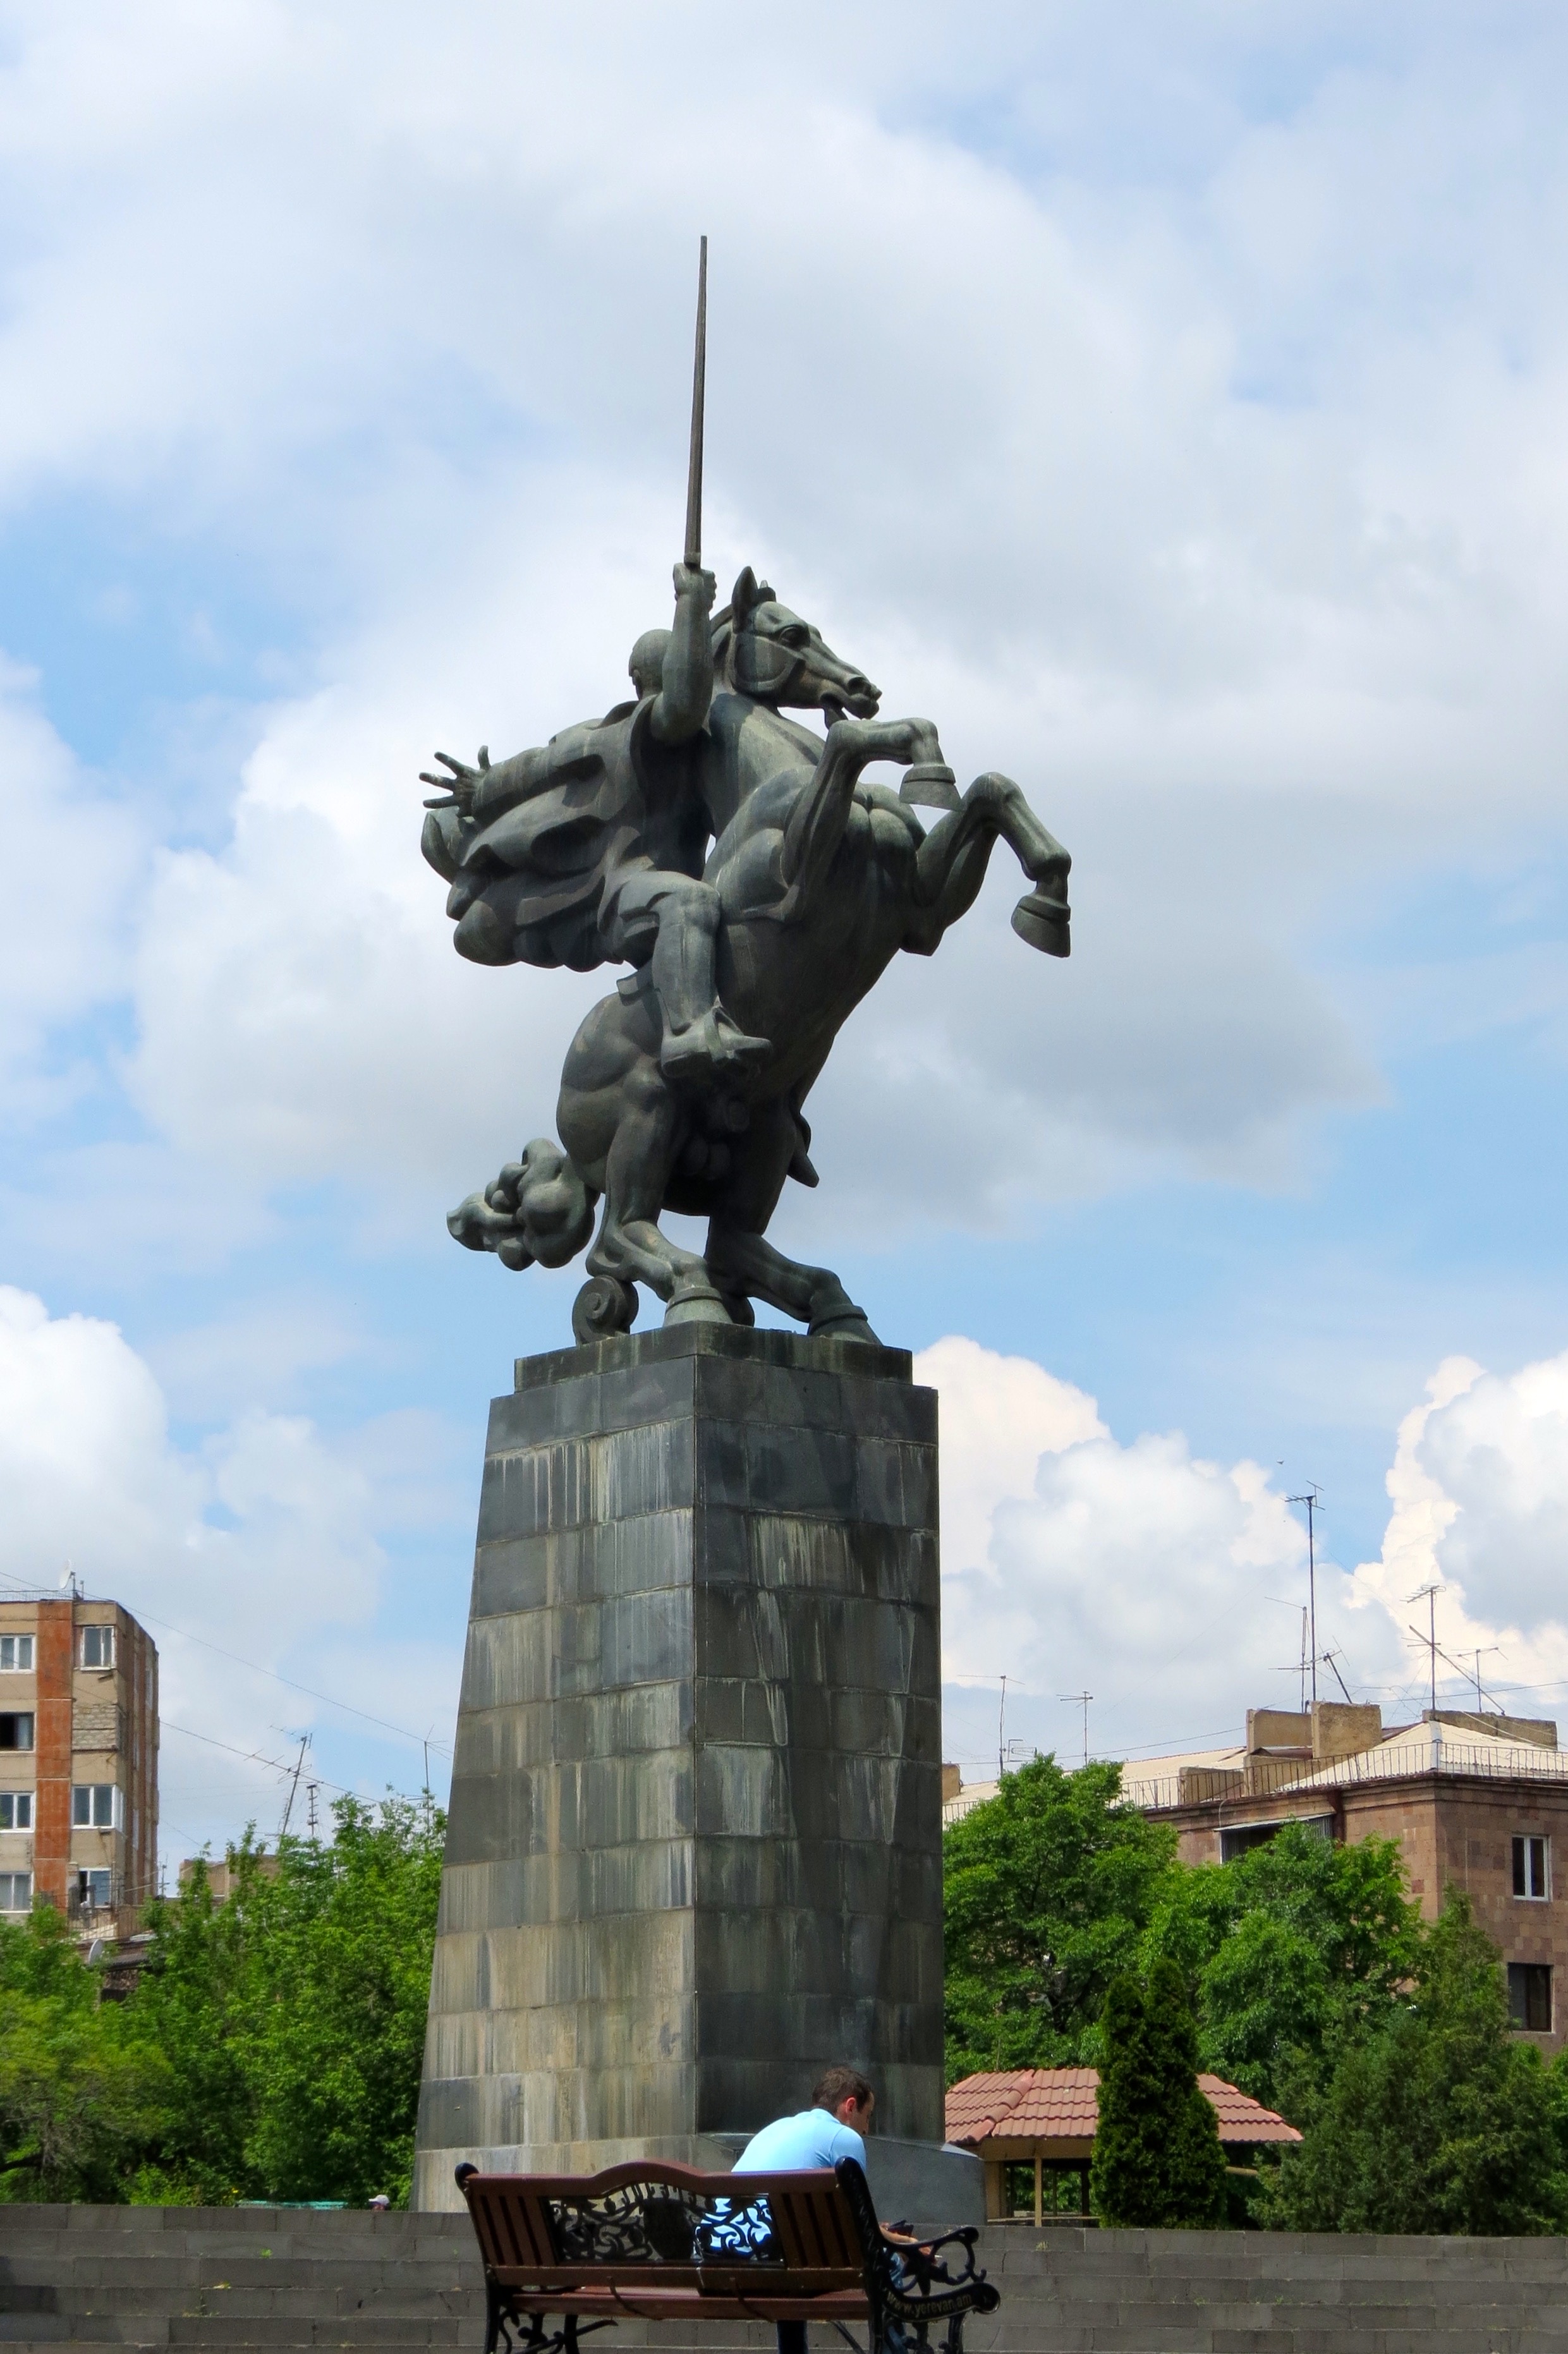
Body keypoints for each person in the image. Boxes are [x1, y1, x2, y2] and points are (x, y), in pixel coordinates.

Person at [420, 561, 771, 1086]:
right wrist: (691, 605)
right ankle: (688, 1033)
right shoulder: (637, 732)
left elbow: (525, 770)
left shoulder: (625, 739)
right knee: (688, 901)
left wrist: (484, 788)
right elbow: (680, 704)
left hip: (644, 883)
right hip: (621, 889)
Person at [733, 2067, 875, 2354]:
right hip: (781, 2263)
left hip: (727, 2262)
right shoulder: (844, 2139)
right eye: (868, 2116)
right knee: (889, 2264)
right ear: (850, 2106)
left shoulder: (771, 2130)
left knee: (794, 2255)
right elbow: (858, 2226)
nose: (867, 2129)